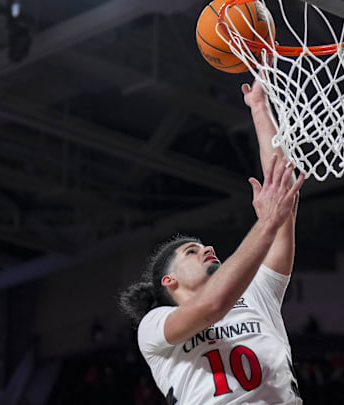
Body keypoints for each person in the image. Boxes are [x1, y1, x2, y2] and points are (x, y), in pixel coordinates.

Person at [119, 78, 306, 405]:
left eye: (204, 246)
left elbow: (285, 197)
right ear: (169, 280)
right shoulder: (155, 327)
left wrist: (260, 108)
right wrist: (265, 223)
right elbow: (211, 307)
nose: (208, 249)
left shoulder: (258, 291)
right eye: (191, 251)